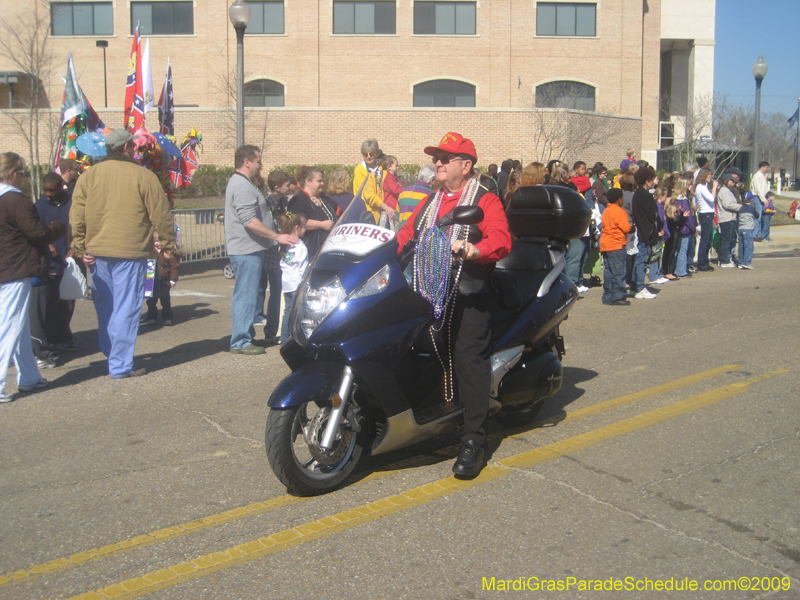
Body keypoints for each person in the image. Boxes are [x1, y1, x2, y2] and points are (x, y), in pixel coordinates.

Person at [395, 132, 512, 479]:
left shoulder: (486, 200)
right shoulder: (432, 200)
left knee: (467, 356)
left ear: (466, 165)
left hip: (469, 289)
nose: (438, 163)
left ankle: (474, 440)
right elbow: (406, 234)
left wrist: (476, 249)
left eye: (446, 158)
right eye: (436, 157)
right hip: (429, 291)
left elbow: (502, 239)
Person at [71, 130, 176, 378]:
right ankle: (119, 364)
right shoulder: (144, 176)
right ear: (128, 147)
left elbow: (76, 215)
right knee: (126, 309)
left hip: (97, 251)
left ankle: (112, 355)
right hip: (131, 251)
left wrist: (79, 246)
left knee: (106, 308)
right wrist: (169, 246)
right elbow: (161, 214)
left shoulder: (88, 176)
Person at [0, 153, 66, 401]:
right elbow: (37, 234)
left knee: (20, 325)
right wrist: (58, 227)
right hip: (16, 268)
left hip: (6, 268)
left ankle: (28, 376)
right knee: (9, 325)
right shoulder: (16, 200)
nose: (23, 178)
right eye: (22, 173)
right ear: (11, 175)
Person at [224, 145, 299, 356]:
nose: (261, 164)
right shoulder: (241, 185)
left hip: (250, 248)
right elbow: (249, 221)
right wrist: (277, 236)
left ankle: (244, 336)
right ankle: (240, 341)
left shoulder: (244, 183)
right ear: (247, 162)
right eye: (258, 160)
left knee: (247, 294)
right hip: (245, 249)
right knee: (246, 295)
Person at [35, 172, 77, 353]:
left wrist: (76, 246)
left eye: (51, 190)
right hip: (50, 260)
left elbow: (80, 225)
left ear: (61, 187)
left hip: (70, 257)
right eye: (45, 190)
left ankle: (64, 334)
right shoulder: (39, 206)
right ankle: (53, 337)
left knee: (68, 299)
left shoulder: (71, 203)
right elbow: (35, 230)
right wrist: (48, 244)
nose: (48, 194)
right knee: (52, 301)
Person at [256, 170, 293, 342]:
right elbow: (267, 228)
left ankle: (283, 328)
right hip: (272, 254)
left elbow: (289, 220)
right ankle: (271, 332)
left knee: (284, 292)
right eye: (286, 185)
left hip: (285, 253)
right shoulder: (267, 204)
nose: (290, 187)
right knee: (276, 292)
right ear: (277, 187)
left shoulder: (286, 202)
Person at [288, 166, 339, 260]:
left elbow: (339, 212)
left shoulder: (324, 199)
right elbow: (296, 222)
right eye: (319, 181)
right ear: (308, 181)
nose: (322, 183)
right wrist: (322, 225)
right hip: (311, 250)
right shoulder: (298, 200)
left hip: (330, 249)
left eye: (322, 180)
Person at [631, 166, 662, 299]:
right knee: (642, 260)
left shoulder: (639, 194)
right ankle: (639, 287)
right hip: (645, 231)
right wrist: (659, 225)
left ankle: (635, 286)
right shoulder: (643, 195)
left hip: (643, 230)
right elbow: (652, 214)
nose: (652, 182)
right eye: (650, 179)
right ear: (646, 180)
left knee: (640, 259)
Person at [279, 212, 309, 343]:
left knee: (287, 311)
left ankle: (285, 339)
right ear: (297, 228)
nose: (306, 229)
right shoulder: (301, 246)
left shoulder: (284, 245)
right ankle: (296, 339)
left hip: (286, 284)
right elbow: (303, 268)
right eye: (304, 227)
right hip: (298, 284)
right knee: (299, 313)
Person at [599, 188, 631, 305]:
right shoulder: (619, 211)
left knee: (608, 271)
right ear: (620, 199)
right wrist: (633, 227)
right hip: (616, 244)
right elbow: (626, 228)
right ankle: (618, 295)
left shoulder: (606, 211)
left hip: (605, 243)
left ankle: (608, 295)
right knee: (618, 271)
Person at [145, 231, 179, 325]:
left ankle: (167, 316)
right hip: (151, 278)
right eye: (155, 241)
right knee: (151, 300)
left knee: (165, 299)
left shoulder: (169, 252)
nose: (158, 243)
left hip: (165, 279)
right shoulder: (150, 251)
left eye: (160, 241)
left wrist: (173, 279)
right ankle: (151, 316)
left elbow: (174, 267)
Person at [353, 139, 391, 224]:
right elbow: (365, 194)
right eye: (365, 154)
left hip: (383, 211)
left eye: (371, 154)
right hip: (367, 212)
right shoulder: (359, 170)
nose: (368, 157)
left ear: (376, 153)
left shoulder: (381, 167)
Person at [670, 177, 696, 279]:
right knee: (683, 250)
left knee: (677, 249)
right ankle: (681, 270)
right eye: (687, 185)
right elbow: (688, 215)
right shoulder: (683, 199)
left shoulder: (674, 198)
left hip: (677, 226)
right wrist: (692, 228)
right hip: (685, 227)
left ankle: (674, 269)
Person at [693, 167, 718, 272]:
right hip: (705, 215)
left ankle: (704, 262)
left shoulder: (703, 187)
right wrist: (715, 187)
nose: (711, 176)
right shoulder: (700, 187)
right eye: (709, 174)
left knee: (708, 240)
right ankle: (702, 263)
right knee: (705, 240)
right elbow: (712, 198)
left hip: (708, 213)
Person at [397, 164, 435, 228]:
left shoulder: (403, 192)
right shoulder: (432, 195)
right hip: (418, 235)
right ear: (432, 180)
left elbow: (398, 218)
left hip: (401, 234)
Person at [715, 174, 740, 268]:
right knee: (726, 241)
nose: (734, 182)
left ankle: (724, 259)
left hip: (729, 218)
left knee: (727, 240)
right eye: (732, 181)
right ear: (726, 180)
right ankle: (724, 261)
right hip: (726, 219)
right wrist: (739, 207)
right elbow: (728, 204)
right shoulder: (724, 191)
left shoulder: (727, 190)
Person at [737, 193, 758, 270]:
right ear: (751, 200)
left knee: (741, 246)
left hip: (740, 228)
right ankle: (747, 263)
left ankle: (741, 262)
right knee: (748, 246)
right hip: (748, 228)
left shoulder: (741, 208)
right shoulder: (751, 208)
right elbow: (757, 216)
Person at [751, 161, 770, 241]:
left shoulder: (762, 176)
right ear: (762, 166)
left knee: (762, 217)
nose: (767, 169)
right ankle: (755, 235)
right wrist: (763, 199)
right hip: (757, 197)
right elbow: (758, 189)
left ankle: (760, 235)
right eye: (766, 167)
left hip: (762, 197)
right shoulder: (757, 176)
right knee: (757, 217)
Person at [381, 155, 403, 223]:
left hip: (396, 208)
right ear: (389, 167)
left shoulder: (396, 178)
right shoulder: (389, 179)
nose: (397, 167)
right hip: (391, 209)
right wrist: (406, 191)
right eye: (396, 166)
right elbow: (396, 190)